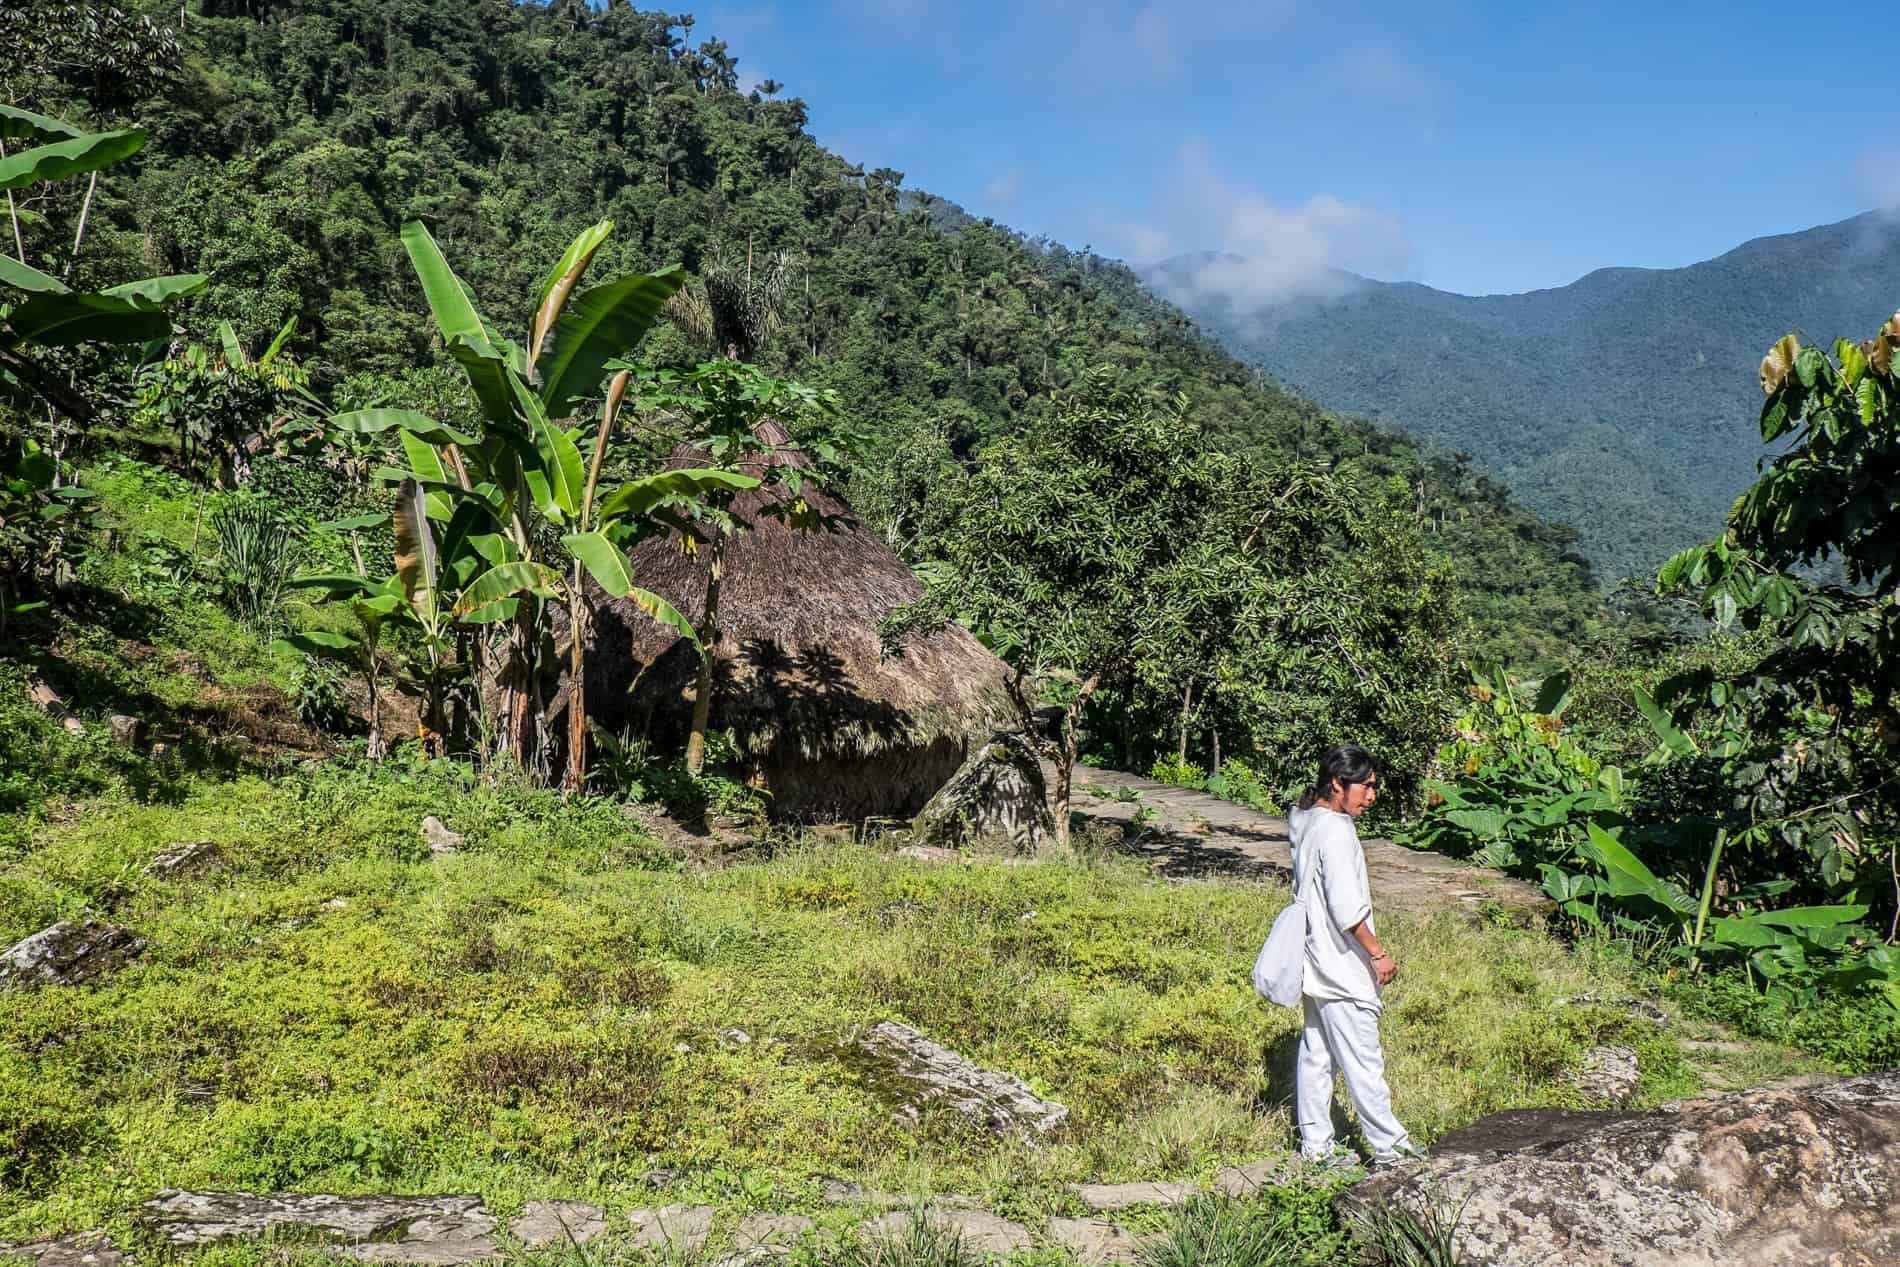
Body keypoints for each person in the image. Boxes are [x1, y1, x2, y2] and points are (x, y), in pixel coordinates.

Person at [1287, 744, 1420, 1171]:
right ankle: (1390, 1149)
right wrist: (1378, 954)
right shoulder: (1338, 831)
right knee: (1364, 1060)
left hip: (1314, 960)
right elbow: (1349, 911)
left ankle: (1317, 1147)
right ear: (1338, 784)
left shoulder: (1305, 820)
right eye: (1367, 786)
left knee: (1316, 1056)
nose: (1372, 796)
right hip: (1342, 965)